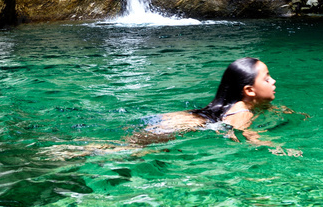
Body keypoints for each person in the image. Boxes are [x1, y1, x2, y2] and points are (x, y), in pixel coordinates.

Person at [130, 57, 305, 148]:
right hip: (177, 127)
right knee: (130, 150)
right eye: (267, 79)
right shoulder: (242, 112)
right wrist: (276, 148)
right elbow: (245, 135)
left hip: (176, 118)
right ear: (249, 90)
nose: (273, 81)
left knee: (131, 144)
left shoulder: (246, 104)